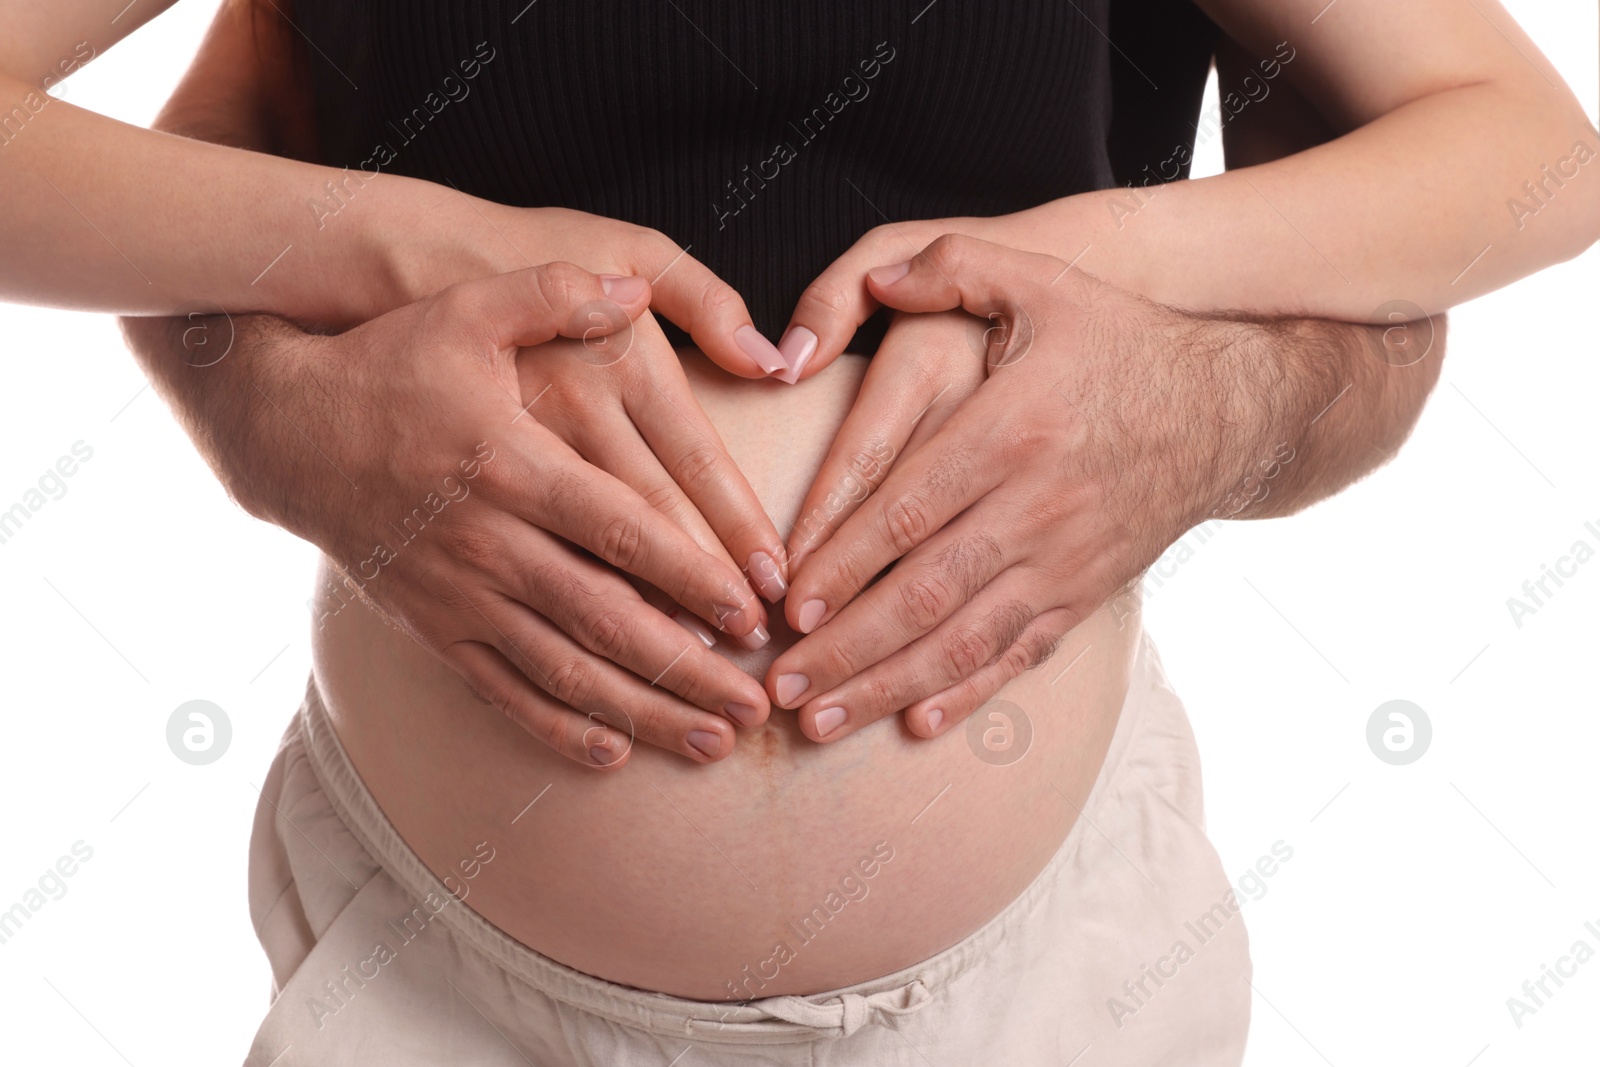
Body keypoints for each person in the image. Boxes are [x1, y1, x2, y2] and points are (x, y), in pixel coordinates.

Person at [4, 0, 1595, 1062]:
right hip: (444, 988)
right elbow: (193, 191)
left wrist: (1114, 260)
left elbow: (1526, 152)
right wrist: (392, 250)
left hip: (1039, 982)